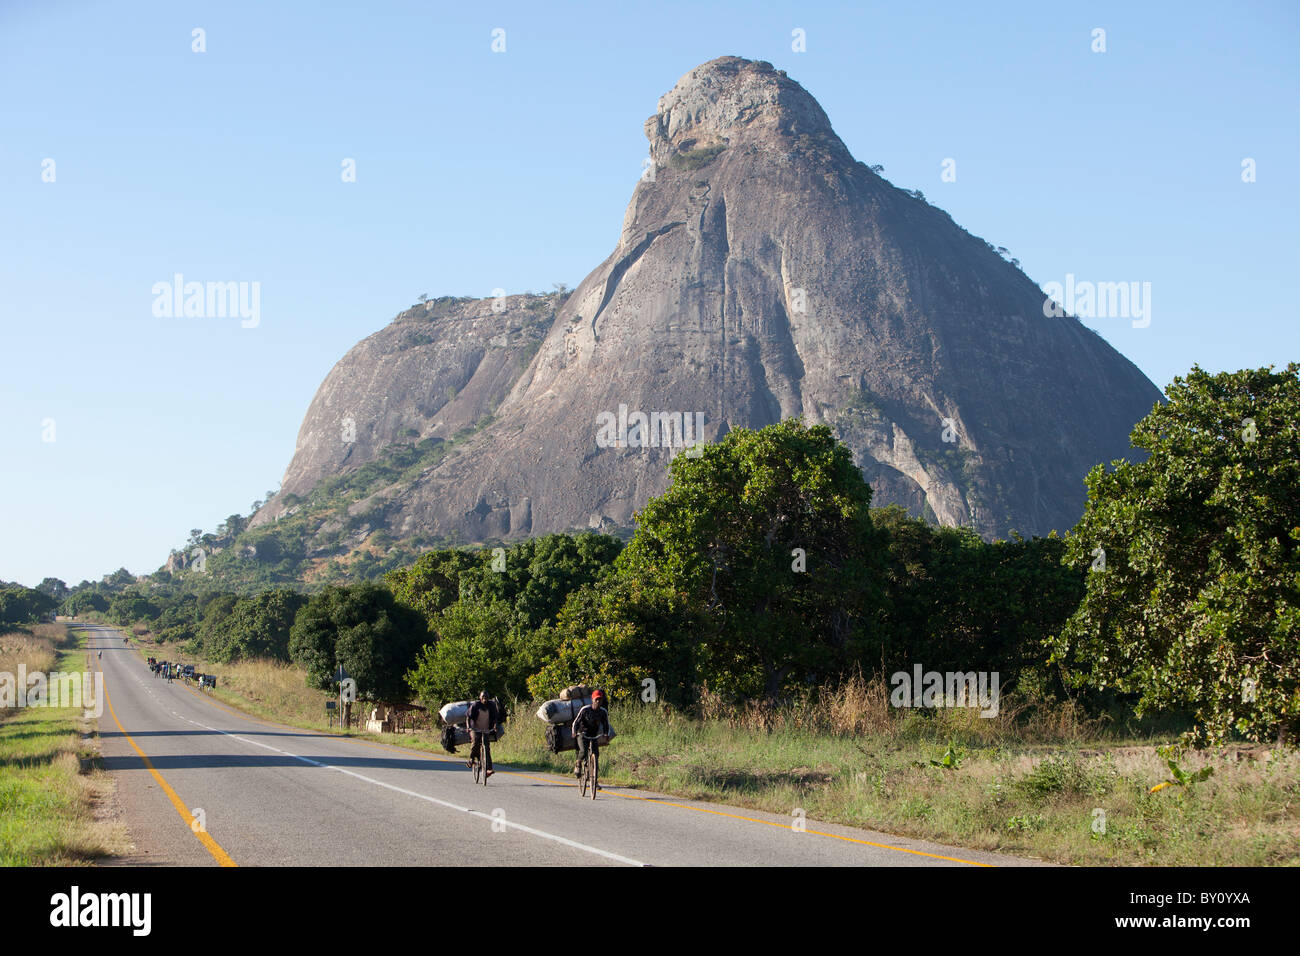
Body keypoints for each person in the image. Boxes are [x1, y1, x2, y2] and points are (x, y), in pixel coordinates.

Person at [572, 689, 610, 780]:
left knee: (596, 755)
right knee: (584, 751)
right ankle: (578, 764)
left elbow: (606, 724)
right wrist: (574, 732)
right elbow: (576, 722)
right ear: (592, 700)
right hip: (582, 734)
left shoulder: (603, 712)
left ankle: (595, 781)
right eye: (596, 699)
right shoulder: (585, 710)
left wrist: (606, 734)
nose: (598, 701)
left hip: (594, 735)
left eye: (600, 699)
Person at [465, 691, 499, 778]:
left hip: (486, 729)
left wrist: (495, 727)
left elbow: (495, 718)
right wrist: (468, 727)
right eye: (483, 697)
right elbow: (468, 717)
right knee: (475, 742)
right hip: (475, 728)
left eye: (486, 697)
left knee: (486, 748)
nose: (485, 699)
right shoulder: (476, 705)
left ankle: (488, 769)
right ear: (480, 698)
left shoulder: (491, 706)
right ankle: (471, 759)